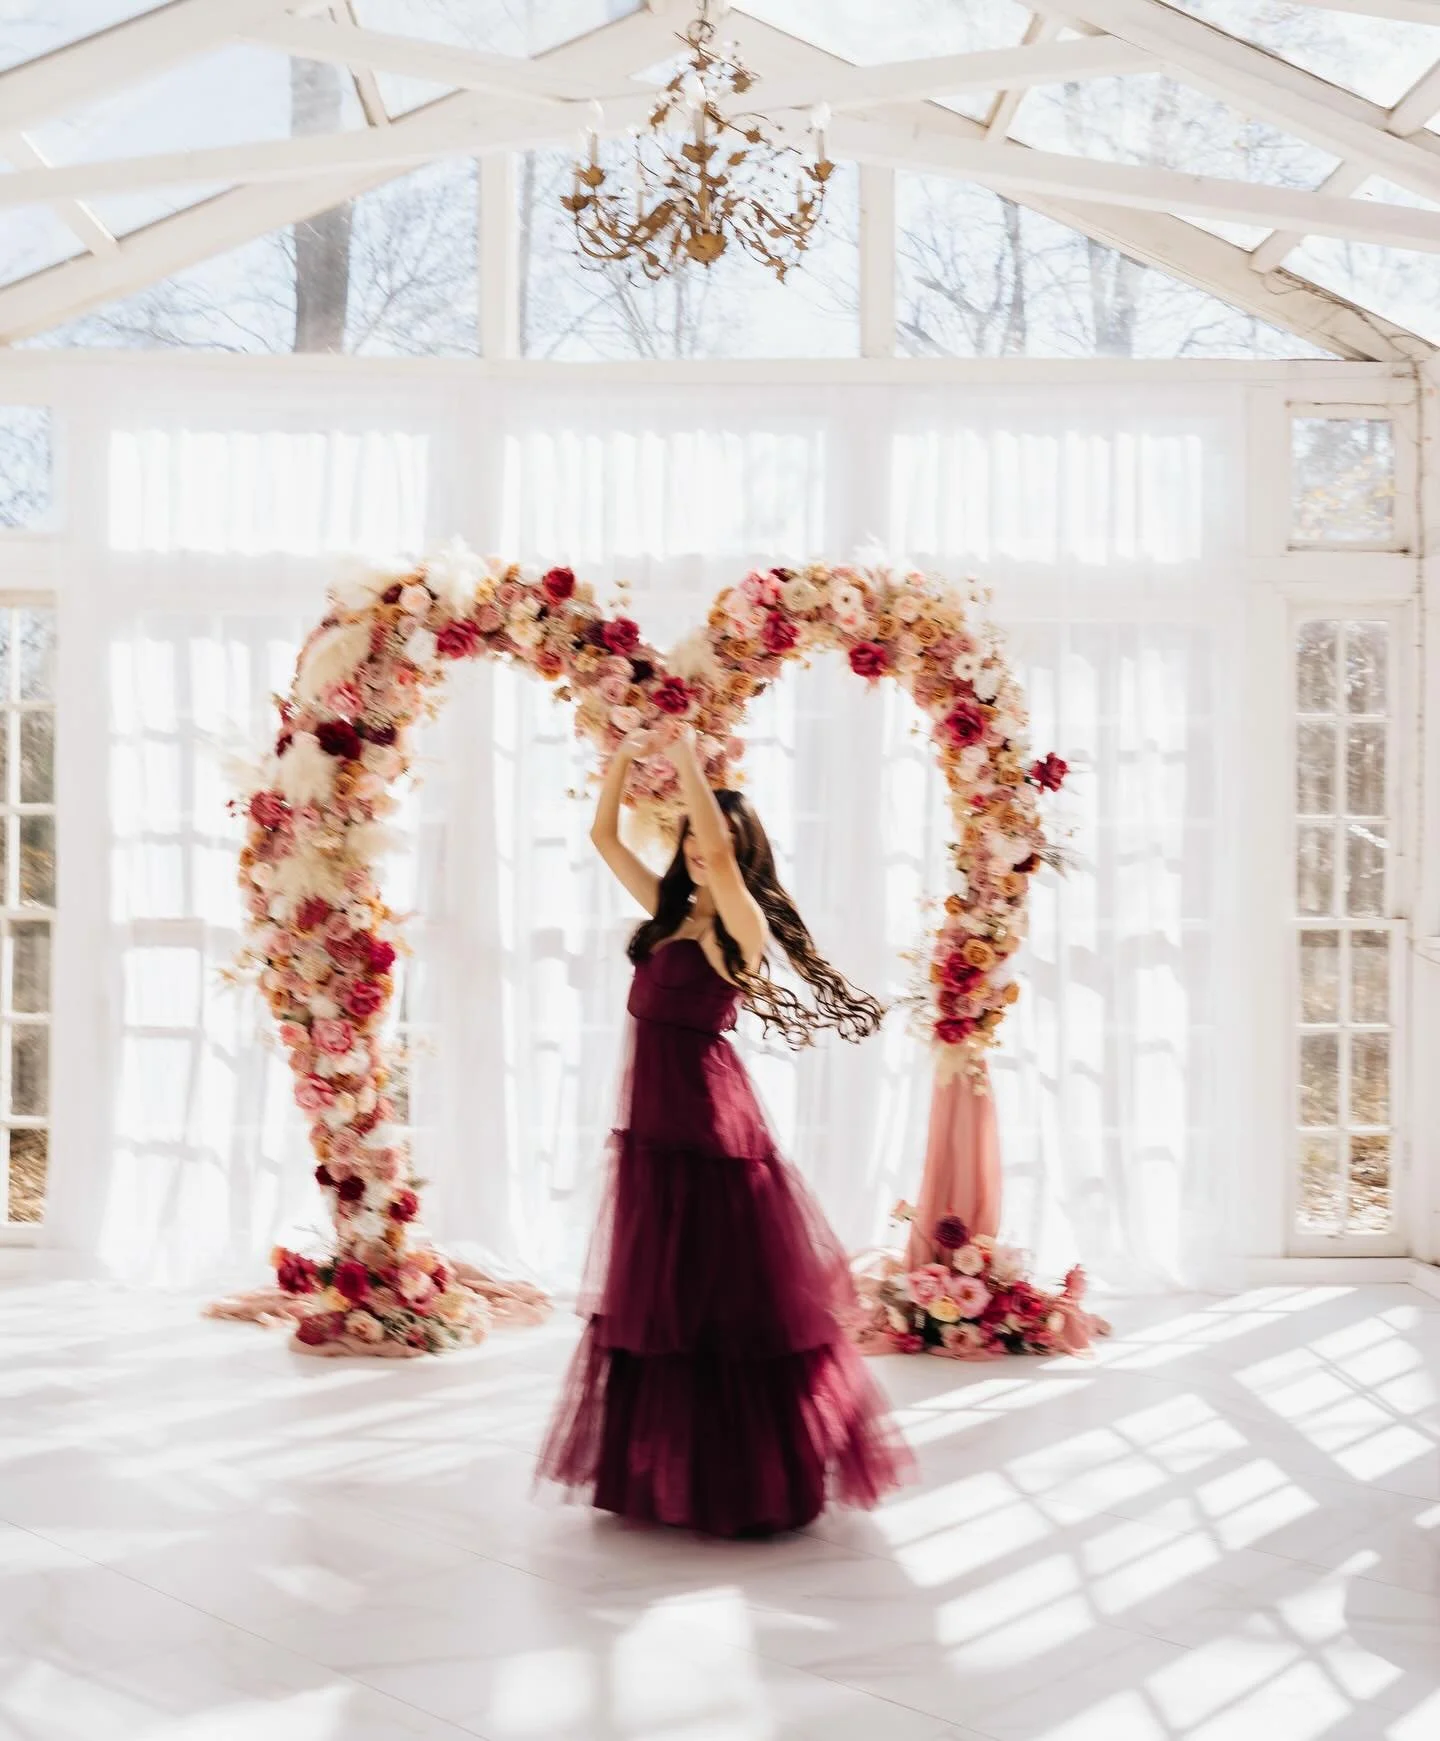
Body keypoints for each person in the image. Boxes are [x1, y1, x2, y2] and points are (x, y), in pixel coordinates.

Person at [537, 724, 913, 1537]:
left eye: (718, 842)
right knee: (666, 1307)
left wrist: (686, 759)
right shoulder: (668, 915)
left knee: (725, 1301)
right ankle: (663, 1475)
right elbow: (603, 836)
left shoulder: (736, 923)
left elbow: (713, 840)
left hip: (709, 1129)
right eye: (691, 840)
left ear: (741, 852)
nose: (700, 851)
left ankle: (749, 1478)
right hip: (652, 1131)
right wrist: (625, 760)